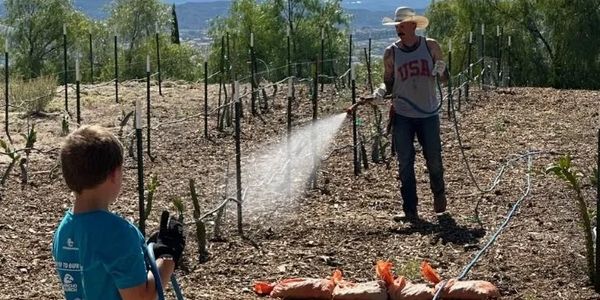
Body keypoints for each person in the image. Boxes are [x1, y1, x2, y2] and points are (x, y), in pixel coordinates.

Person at [52, 125, 185, 299]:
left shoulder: (63, 230)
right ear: (114, 174)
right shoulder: (117, 233)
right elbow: (140, 297)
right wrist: (167, 257)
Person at [349, 7, 447, 222]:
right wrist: (380, 92)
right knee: (405, 162)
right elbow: (389, 81)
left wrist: (441, 69)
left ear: (413, 26)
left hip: (428, 114)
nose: (398, 29)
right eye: (397, 26)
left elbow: (444, 78)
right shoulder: (391, 53)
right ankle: (410, 209)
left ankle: (439, 195)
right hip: (403, 114)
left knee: (434, 159)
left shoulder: (431, 46)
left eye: (402, 25)